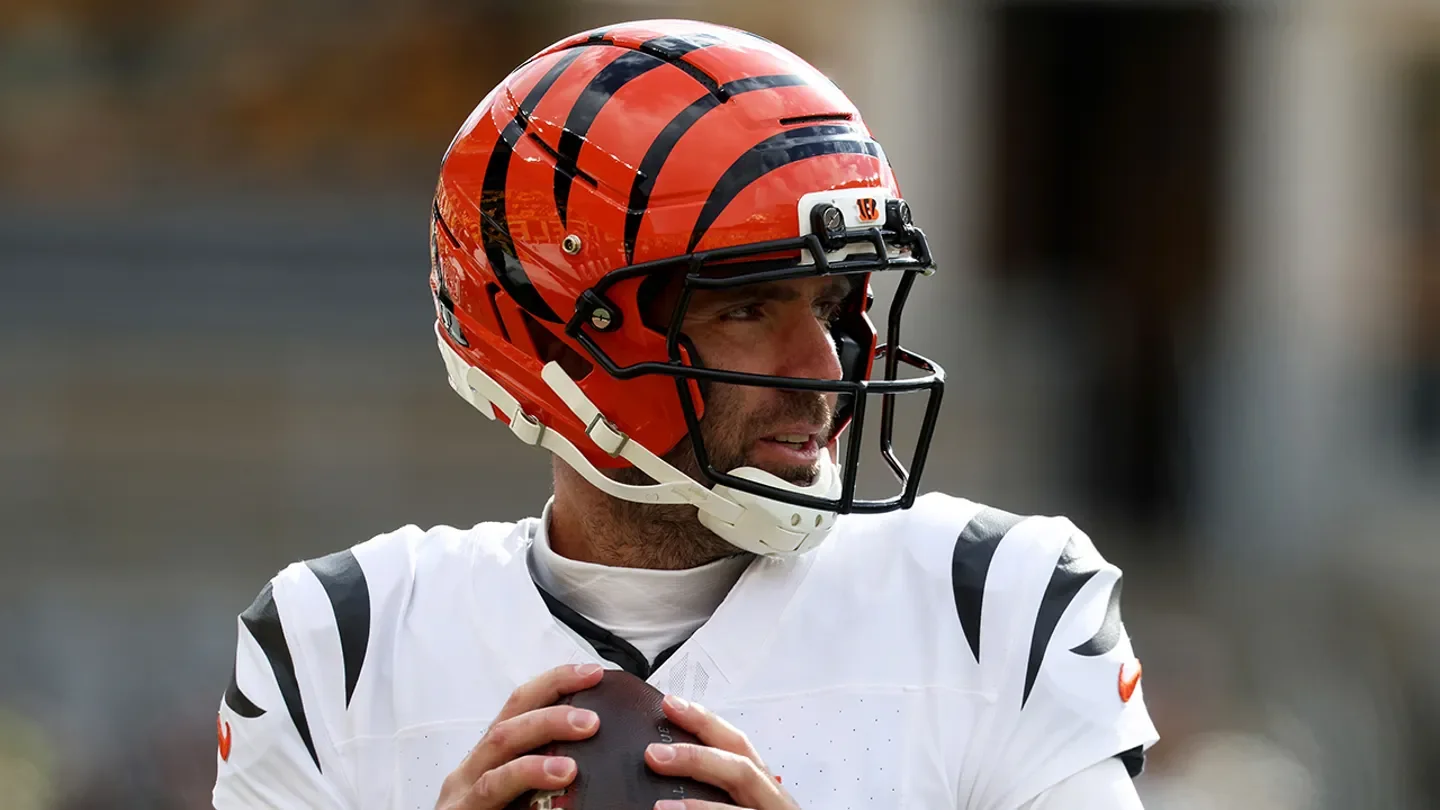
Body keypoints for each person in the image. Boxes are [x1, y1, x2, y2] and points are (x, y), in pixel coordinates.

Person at [212, 19, 1157, 810]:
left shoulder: (998, 605)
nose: (822, 367)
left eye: (832, 307)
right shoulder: (342, 645)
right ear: (561, 335)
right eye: (747, 309)